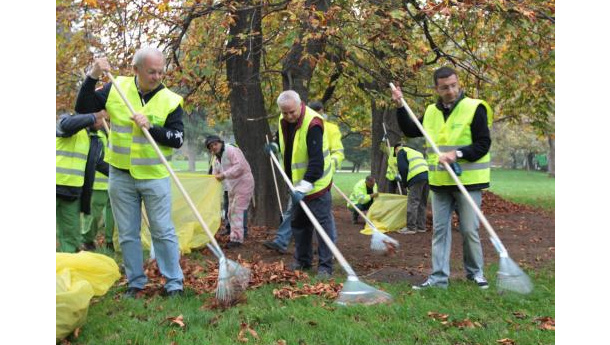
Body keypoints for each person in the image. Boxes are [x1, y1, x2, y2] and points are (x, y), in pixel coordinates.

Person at [75, 47, 185, 298]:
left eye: (160, 71)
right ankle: (135, 282)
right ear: (136, 70)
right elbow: (83, 107)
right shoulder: (116, 87)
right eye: (151, 72)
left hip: (154, 176)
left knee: (162, 231)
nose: (157, 77)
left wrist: (153, 127)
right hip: (121, 175)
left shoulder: (171, 99)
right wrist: (93, 75)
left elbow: (177, 138)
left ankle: (174, 283)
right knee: (127, 233)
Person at [392, 66, 493, 290]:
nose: (450, 90)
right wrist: (400, 106)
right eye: (445, 87)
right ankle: (438, 278)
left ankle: (475, 273)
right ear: (437, 89)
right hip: (439, 183)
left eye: (454, 85)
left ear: (459, 83)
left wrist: (457, 154)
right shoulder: (430, 112)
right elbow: (411, 129)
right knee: (439, 231)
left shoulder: (474, 108)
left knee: (469, 229)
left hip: (468, 181)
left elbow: (483, 144)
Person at [265, 90, 336, 279]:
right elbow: (286, 141)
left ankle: (325, 267)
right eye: (285, 112)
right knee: (299, 225)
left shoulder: (313, 124)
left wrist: (303, 188)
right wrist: (275, 146)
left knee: (323, 227)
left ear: (300, 105)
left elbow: (316, 164)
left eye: (292, 112)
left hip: (317, 184)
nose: (288, 116)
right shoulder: (284, 118)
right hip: (296, 184)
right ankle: (303, 261)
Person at [56, 110, 109, 253]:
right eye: (101, 119)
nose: (103, 123)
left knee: (72, 235)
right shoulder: (67, 121)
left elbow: (100, 163)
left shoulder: (94, 139)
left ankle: (69, 264)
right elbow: (65, 125)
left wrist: (122, 174)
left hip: (72, 192)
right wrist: (93, 116)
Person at [205, 135, 254, 248]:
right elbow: (215, 173)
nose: (214, 147)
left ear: (220, 143)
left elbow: (240, 166)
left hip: (243, 183)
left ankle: (237, 240)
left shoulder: (231, 150)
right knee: (230, 212)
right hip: (231, 186)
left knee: (237, 211)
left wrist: (224, 175)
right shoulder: (216, 158)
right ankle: (234, 235)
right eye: (211, 146)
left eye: (215, 144)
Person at [80, 116, 115, 251]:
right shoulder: (96, 135)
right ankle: (86, 239)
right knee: (94, 215)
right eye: (107, 120)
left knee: (112, 215)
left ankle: (109, 241)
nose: (109, 123)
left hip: (114, 182)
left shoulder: (116, 135)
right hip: (97, 183)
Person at [394, 143, 430, 235]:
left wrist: (405, 184)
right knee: (422, 203)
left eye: (395, 152)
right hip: (427, 177)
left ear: (396, 149)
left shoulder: (401, 151)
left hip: (416, 177)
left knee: (413, 202)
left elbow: (403, 168)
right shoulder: (416, 152)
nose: (396, 154)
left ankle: (411, 227)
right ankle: (421, 227)